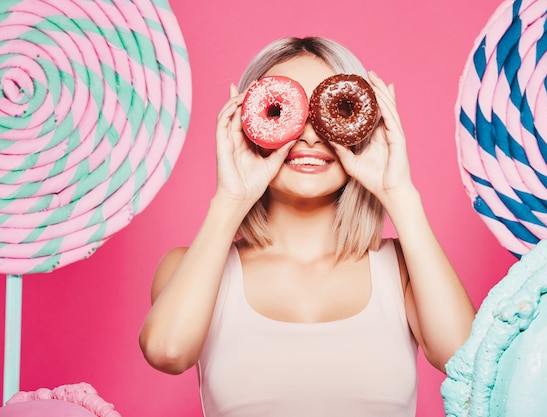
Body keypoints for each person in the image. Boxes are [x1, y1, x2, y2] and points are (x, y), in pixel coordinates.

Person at [139, 36, 475, 417]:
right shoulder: (192, 268)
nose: (311, 135)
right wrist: (231, 200)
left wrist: (398, 193)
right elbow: (167, 351)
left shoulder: (402, 271)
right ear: (247, 125)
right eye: (284, 111)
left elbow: (464, 358)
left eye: (331, 112)